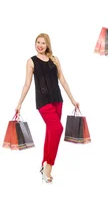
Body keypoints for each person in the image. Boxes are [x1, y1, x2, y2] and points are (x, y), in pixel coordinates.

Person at [14, 33, 80, 183]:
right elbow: (27, 84)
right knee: (57, 129)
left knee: (51, 132)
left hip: (58, 100)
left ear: (48, 44)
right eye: (38, 42)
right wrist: (19, 103)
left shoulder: (54, 60)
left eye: (43, 43)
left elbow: (62, 79)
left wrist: (73, 99)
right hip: (43, 102)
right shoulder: (31, 61)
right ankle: (48, 167)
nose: (40, 45)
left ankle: (44, 165)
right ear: (35, 44)